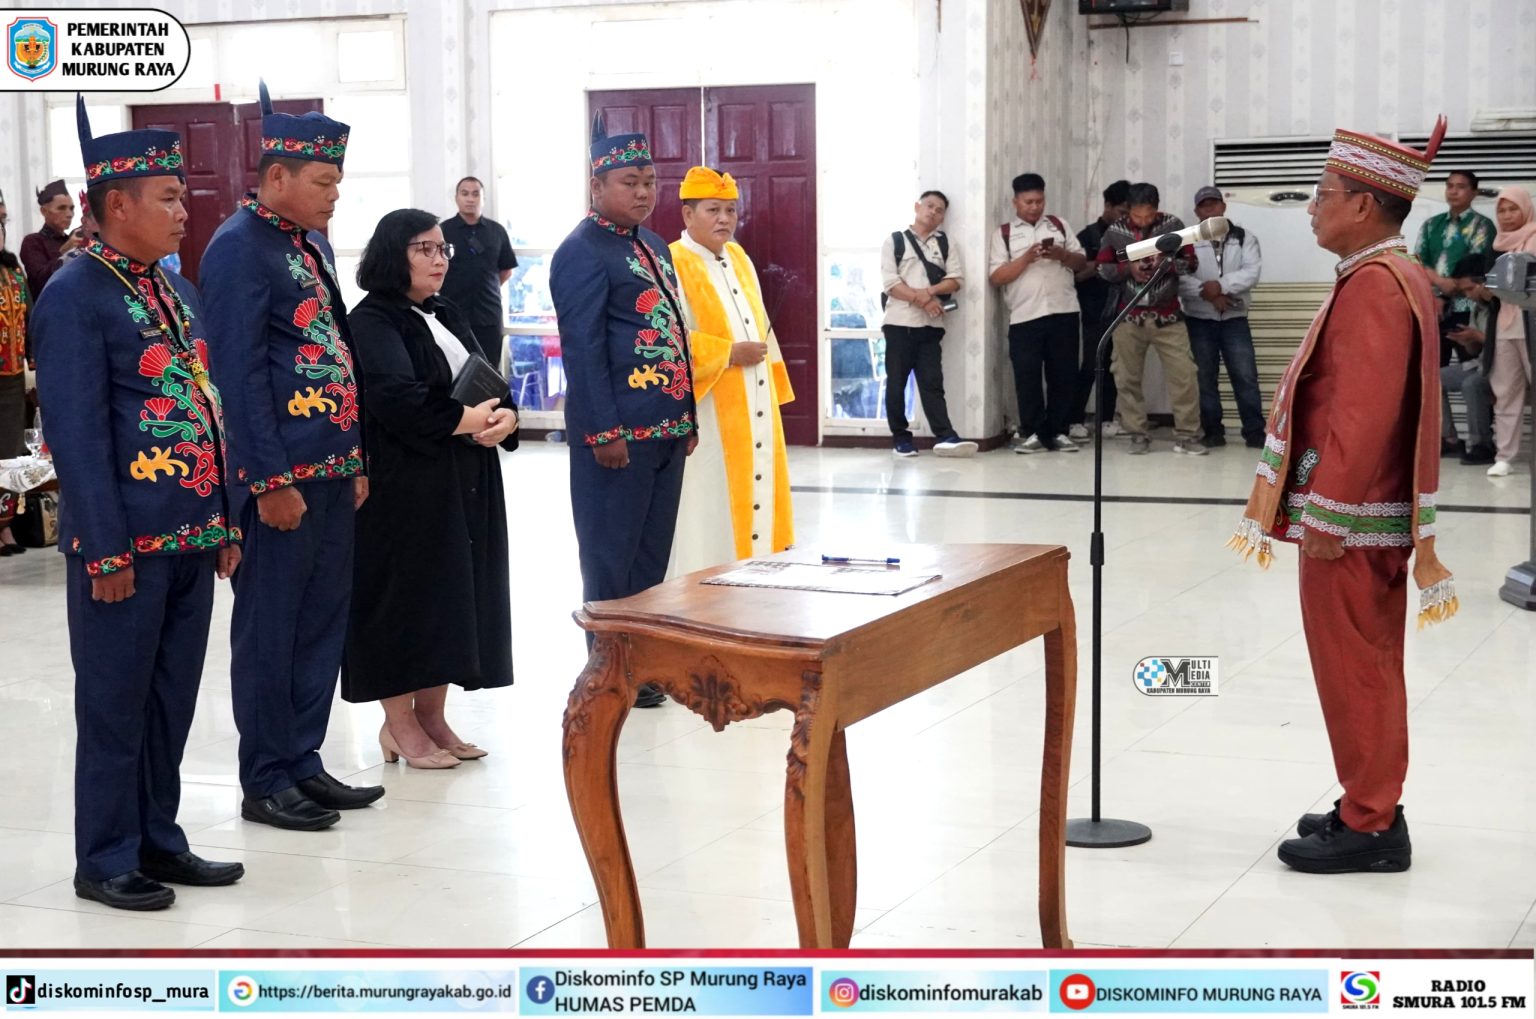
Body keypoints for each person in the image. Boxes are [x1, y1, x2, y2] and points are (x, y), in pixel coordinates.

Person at [32, 97, 245, 910]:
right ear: (116, 204)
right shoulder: (75, 294)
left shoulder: (174, 291)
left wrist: (223, 516)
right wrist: (105, 547)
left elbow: (206, 403)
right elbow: (79, 435)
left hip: (190, 535)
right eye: (168, 197)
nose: (183, 210)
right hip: (126, 548)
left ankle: (160, 836)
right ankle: (106, 855)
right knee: (116, 705)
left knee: (170, 702)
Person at [1231, 119, 1457, 874]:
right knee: (1366, 660)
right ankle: (1371, 798)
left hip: (1350, 521)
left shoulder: (1373, 286)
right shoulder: (1394, 272)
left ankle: (1370, 823)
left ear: (1363, 205)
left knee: (1354, 664)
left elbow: (1360, 413)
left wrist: (1324, 513)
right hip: (1369, 514)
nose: (1311, 207)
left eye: (1322, 194)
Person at [201, 81, 382, 831]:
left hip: (332, 468)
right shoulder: (238, 249)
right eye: (323, 181)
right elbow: (238, 374)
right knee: (271, 626)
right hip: (282, 480)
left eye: (338, 181)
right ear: (277, 177)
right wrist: (268, 479)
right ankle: (265, 774)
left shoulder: (308, 244)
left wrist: (355, 453)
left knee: (320, 623)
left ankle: (304, 760)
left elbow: (334, 351)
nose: (334, 194)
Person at [344, 209, 519, 767]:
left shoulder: (445, 310)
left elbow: (487, 378)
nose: (439, 259)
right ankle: (398, 724)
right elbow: (394, 398)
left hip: (464, 476)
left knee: (452, 596)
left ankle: (433, 717)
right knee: (406, 601)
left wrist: (505, 419)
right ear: (393, 254)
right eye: (424, 249)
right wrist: (469, 421)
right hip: (408, 483)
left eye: (442, 249)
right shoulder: (374, 320)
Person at [549, 116, 696, 710]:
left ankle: (646, 664)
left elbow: (674, 332)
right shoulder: (580, 252)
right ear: (597, 184)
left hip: (665, 428)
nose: (642, 192)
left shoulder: (652, 245)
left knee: (650, 556)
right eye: (630, 181)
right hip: (618, 435)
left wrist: (685, 414)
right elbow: (582, 349)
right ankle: (610, 668)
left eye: (650, 181)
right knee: (610, 555)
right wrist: (603, 430)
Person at [666, 166, 795, 574]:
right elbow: (667, 338)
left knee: (762, 488)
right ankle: (706, 580)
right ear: (688, 215)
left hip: (754, 397)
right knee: (710, 501)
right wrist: (726, 353)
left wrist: (772, 383)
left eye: (731, 210)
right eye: (713, 210)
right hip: (708, 406)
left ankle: (759, 574)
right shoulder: (672, 260)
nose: (724, 219)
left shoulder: (738, 256)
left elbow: (759, 322)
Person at [1095, 182, 1205, 455]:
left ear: (1157, 210)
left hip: (1168, 315)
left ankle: (1188, 435)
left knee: (1185, 376)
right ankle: (1136, 433)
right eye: (1137, 216)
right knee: (1126, 377)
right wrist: (1128, 269)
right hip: (1128, 316)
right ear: (1128, 210)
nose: (1142, 221)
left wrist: (1165, 264)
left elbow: (1191, 264)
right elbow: (1102, 268)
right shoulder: (1115, 231)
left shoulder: (1174, 226)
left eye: (1148, 216)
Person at [988, 173, 1087, 453]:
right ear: (1015, 202)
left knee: (1064, 373)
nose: (1034, 207)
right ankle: (1032, 431)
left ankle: (1059, 430)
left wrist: (1061, 255)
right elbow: (997, 277)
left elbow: (1081, 263)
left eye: (1039, 201)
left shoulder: (1059, 225)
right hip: (1025, 315)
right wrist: (1026, 258)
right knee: (1027, 375)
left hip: (1064, 310)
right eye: (1028, 202)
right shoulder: (1004, 234)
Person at [880, 191, 974, 458]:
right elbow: (891, 284)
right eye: (930, 206)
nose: (933, 212)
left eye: (940, 210)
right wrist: (923, 301)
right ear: (917, 207)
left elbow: (956, 280)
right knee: (897, 383)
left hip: (931, 327)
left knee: (933, 382)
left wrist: (929, 293)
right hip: (899, 324)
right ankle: (901, 439)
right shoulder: (895, 241)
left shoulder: (945, 243)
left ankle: (945, 436)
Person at [1179, 185, 1265, 448]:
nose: (1210, 210)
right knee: (1204, 378)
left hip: (1234, 317)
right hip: (1198, 318)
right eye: (1204, 206)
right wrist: (1208, 293)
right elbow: (1179, 277)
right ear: (1197, 211)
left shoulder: (1244, 237)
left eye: (1214, 204)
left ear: (1223, 207)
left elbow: (1252, 272)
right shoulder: (1185, 240)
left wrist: (1221, 287)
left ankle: (1254, 432)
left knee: (1245, 376)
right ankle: (1212, 431)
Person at [439, 176, 518, 364]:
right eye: (464, 193)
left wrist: (485, 288)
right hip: (452, 313)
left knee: (489, 371)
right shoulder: (443, 231)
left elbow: (506, 270)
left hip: (489, 314)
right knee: (453, 369)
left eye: (475, 194)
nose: (470, 199)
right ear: (456, 198)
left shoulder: (497, 231)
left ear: (482, 198)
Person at [1072, 180, 1130, 437]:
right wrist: (1101, 264)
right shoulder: (1087, 236)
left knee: (1115, 365)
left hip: (1123, 308)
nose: (1125, 218)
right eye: (1121, 212)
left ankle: (1106, 419)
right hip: (1094, 308)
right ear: (1107, 205)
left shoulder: (1130, 236)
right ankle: (1075, 419)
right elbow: (1075, 275)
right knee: (1091, 364)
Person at [1486, 186, 1536, 478]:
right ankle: (1504, 456)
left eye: (1512, 209)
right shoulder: (1496, 244)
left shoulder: (1534, 237)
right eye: (1501, 211)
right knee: (1505, 392)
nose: (1506, 216)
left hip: (1531, 323)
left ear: (1526, 209)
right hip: (1505, 325)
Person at [1439, 252, 1497, 465]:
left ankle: (1482, 444)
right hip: (1481, 362)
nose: (1468, 295)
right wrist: (1468, 341)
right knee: (1433, 378)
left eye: (1470, 289)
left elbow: (1511, 346)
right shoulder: (1477, 308)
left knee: (1472, 384)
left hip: (1501, 367)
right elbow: (1474, 351)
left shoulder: (1503, 306)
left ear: (1485, 283)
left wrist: (1478, 337)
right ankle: (1449, 437)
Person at [1415, 169, 1494, 312]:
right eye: (1450, 186)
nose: (1453, 191)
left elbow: (1475, 268)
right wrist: (1440, 282)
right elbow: (1418, 262)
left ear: (1474, 193)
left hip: (1468, 306)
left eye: (1461, 187)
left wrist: (1448, 288)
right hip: (1433, 304)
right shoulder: (1431, 225)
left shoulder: (1482, 225)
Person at [20, 180, 82, 298]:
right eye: (62, 208)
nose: (69, 214)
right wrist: (64, 252)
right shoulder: (33, 241)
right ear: (44, 211)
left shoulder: (71, 239)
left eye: (71, 208)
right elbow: (39, 281)